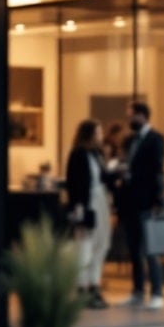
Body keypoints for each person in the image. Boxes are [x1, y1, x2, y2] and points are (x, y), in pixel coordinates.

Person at [118, 102, 164, 309]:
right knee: (134, 248)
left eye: (132, 116)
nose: (129, 120)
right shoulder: (129, 140)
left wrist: (157, 199)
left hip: (146, 200)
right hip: (129, 200)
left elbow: (157, 170)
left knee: (150, 248)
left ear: (143, 116)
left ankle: (157, 291)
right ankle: (137, 290)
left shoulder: (156, 139)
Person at [65, 119, 115, 309]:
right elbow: (74, 183)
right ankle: (82, 288)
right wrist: (78, 206)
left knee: (102, 243)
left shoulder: (96, 154)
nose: (101, 137)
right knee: (85, 244)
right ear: (89, 135)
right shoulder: (78, 154)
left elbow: (103, 178)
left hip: (101, 201)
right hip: (87, 203)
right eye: (98, 133)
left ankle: (95, 285)